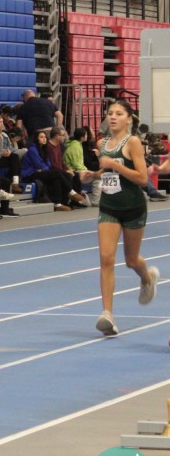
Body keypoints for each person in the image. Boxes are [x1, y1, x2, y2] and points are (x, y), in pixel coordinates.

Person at [94, 99, 159, 336]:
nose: (113, 117)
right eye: (110, 113)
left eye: (119, 113)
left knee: (131, 261)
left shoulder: (133, 142)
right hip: (109, 207)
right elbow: (107, 171)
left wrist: (115, 164)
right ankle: (107, 315)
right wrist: (93, 174)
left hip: (133, 207)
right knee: (106, 259)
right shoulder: (101, 143)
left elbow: (142, 178)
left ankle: (147, 278)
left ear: (129, 118)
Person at [20, 130, 81, 211]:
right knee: (57, 172)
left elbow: (48, 164)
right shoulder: (32, 149)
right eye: (41, 137)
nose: (44, 139)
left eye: (45, 137)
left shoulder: (44, 149)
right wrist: (42, 168)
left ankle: (58, 204)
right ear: (36, 139)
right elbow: (38, 164)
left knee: (57, 178)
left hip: (40, 172)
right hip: (30, 174)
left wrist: (43, 168)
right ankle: (71, 191)